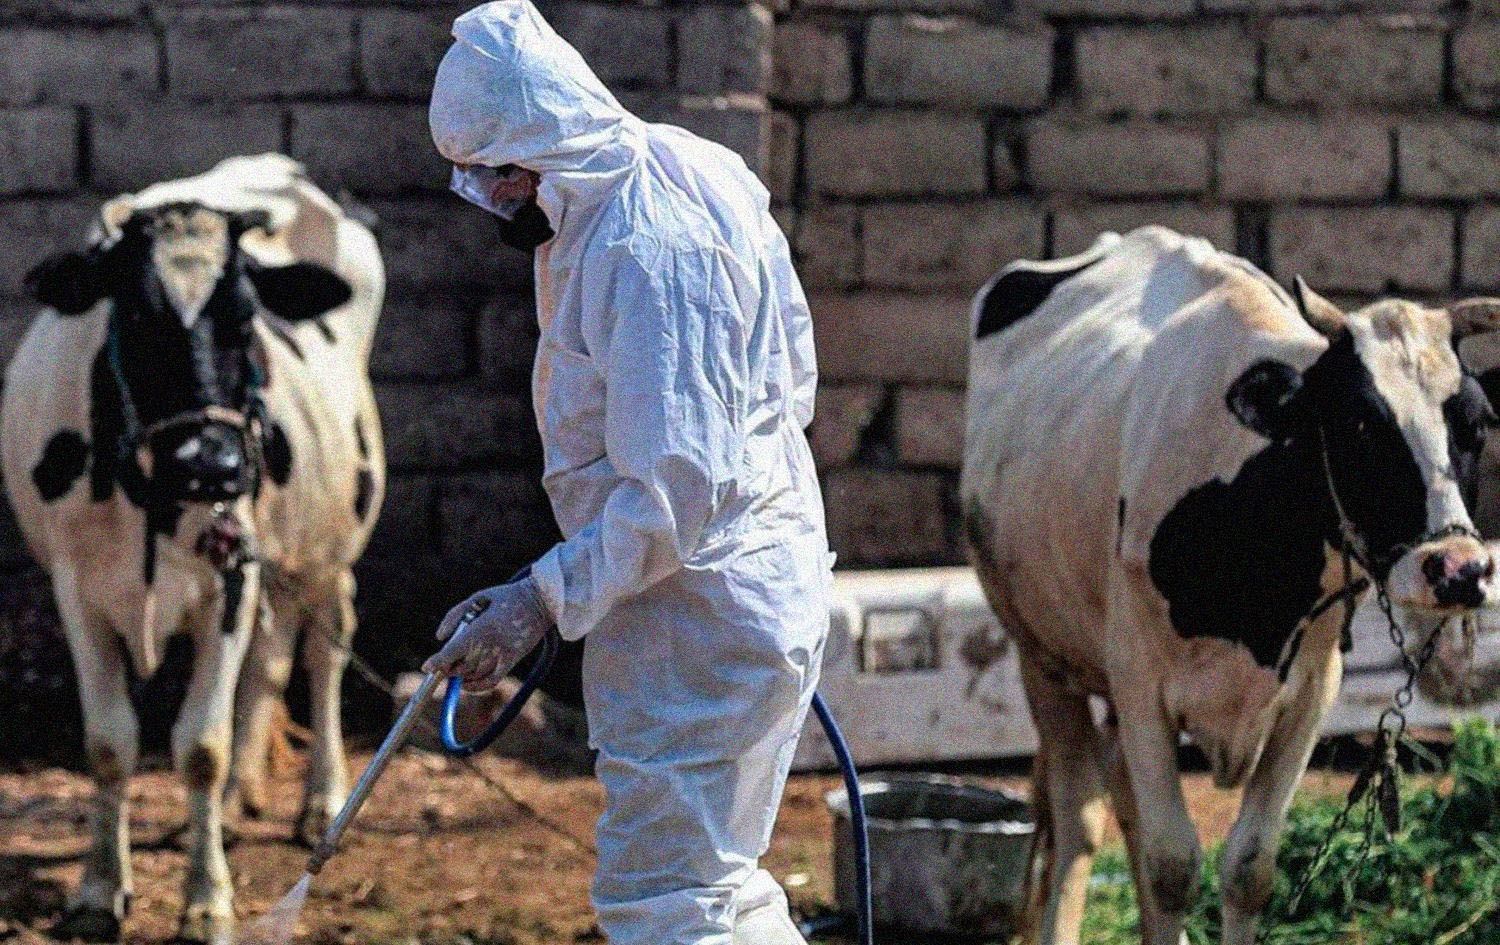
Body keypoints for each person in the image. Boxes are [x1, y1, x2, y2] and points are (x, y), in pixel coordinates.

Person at [424, 3, 834, 944]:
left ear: (545, 144)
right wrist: (558, 580)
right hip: (713, 593)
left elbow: (674, 492)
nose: (494, 197)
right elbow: (792, 376)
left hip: (703, 620)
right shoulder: (680, 167)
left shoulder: (646, 250)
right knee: (716, 892)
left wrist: (540, 600)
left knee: (669, 904)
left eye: (499, 174)